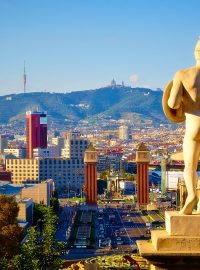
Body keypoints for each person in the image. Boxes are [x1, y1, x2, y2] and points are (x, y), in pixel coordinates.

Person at [164, 38, 200, 215]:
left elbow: (173, 103)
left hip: (194, 125)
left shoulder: (183, 74)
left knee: (190, 166)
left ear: (195, 52)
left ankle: (191, 196)